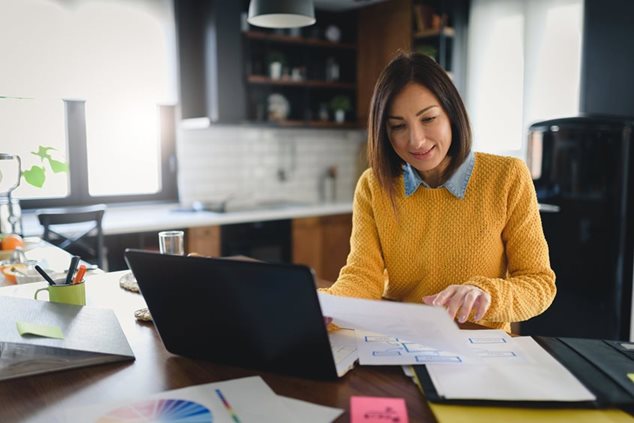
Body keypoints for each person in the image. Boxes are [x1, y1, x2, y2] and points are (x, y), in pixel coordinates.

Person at [322, 52, 556, 332]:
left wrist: (487, 295)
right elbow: (363, 276)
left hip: (478, 349)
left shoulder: (507, 176)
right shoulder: (374, 185)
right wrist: (324, 305)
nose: (416, 140)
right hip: (399, 341)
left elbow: (538, 283)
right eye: (398, 126)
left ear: (451, 114)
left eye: (428, 118)